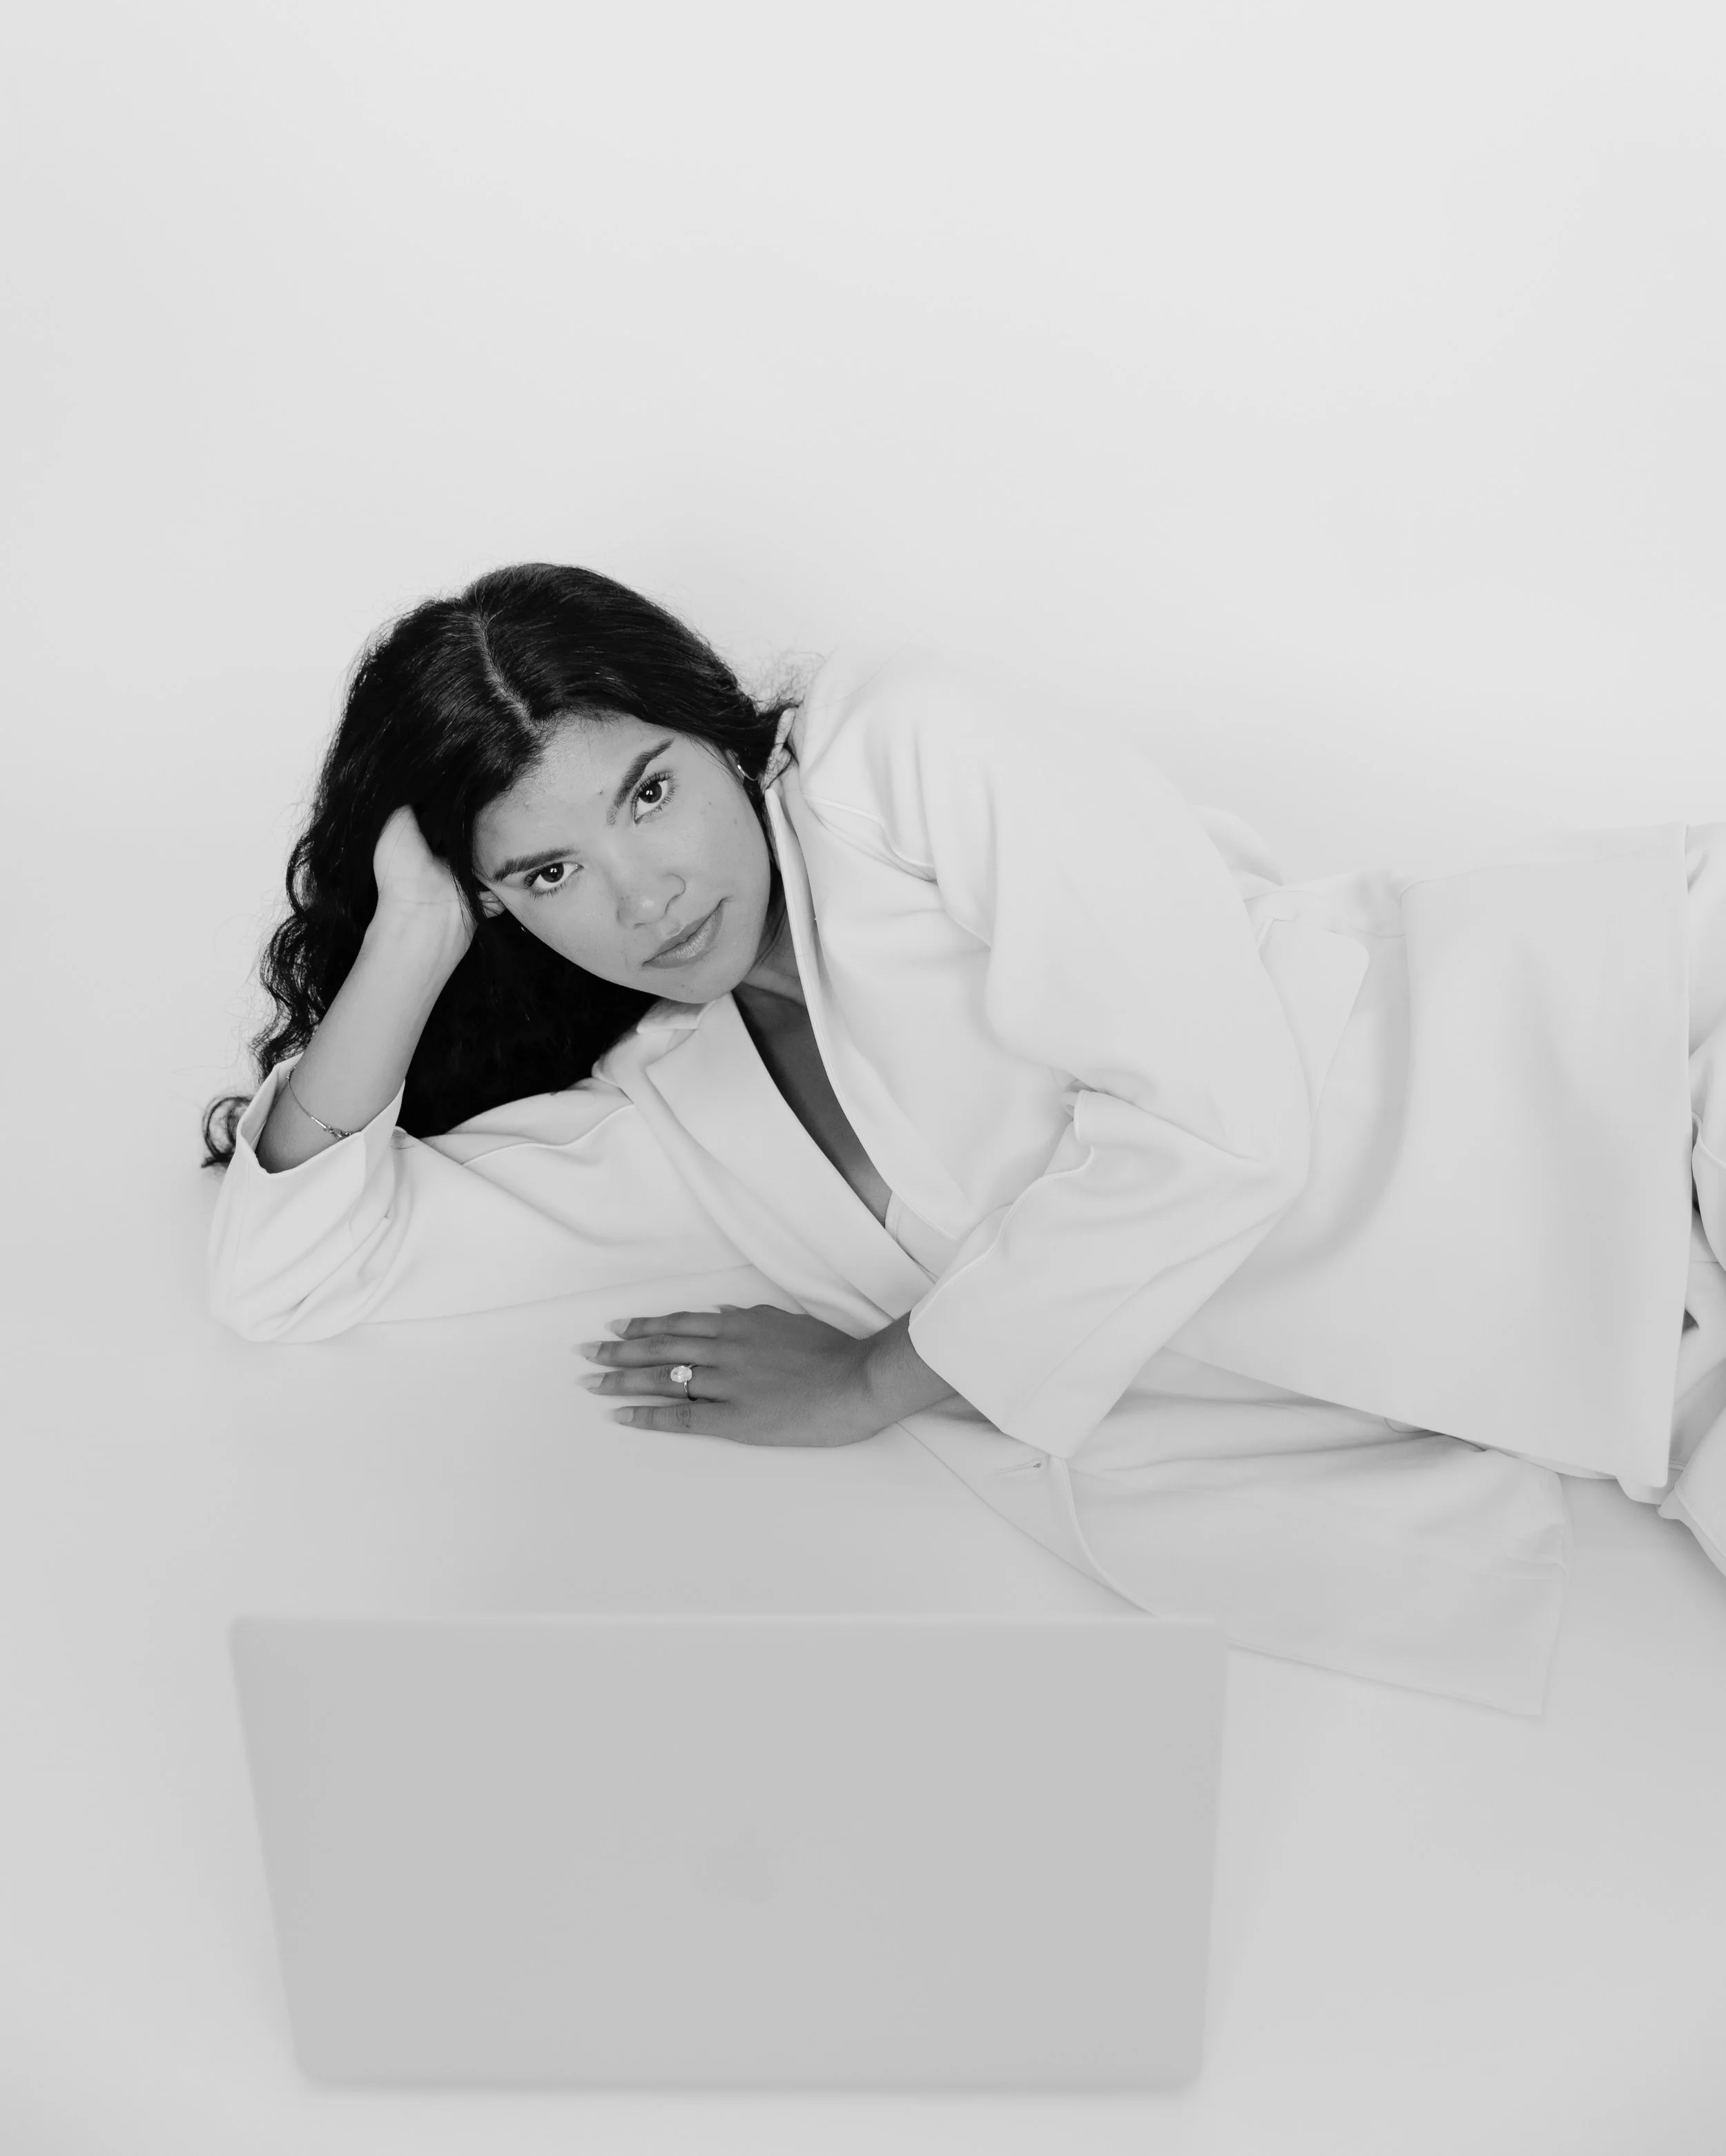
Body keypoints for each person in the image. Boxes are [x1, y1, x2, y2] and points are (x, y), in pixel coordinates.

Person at [204, 561, 1726, 1716]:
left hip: (1644, 1052)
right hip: (1642, 1382)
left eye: (650, 791)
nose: (641, 891)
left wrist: (879, 1379)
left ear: (719, 734)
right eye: (545, 871)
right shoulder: (675, 1116)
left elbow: (1215, 1119)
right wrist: (408, 944)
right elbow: (291, 1280)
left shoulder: (893, 759)